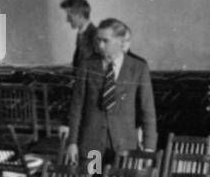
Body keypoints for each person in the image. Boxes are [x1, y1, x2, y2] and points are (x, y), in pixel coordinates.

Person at [65, 18, 157, 166]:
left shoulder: (138, 68)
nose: (100, 45)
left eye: (105, 41)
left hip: (124, 147)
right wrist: (72, 142)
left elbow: (148, 111)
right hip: (92, 146)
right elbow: (76, 107)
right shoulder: (87, 65)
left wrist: (148, 149)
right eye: (98, 40)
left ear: (120, 41)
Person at [60, 0, 97, 72]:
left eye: (69, 16)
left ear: (80, 16)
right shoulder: (81, 34)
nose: (67, 20)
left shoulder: (95, 35)